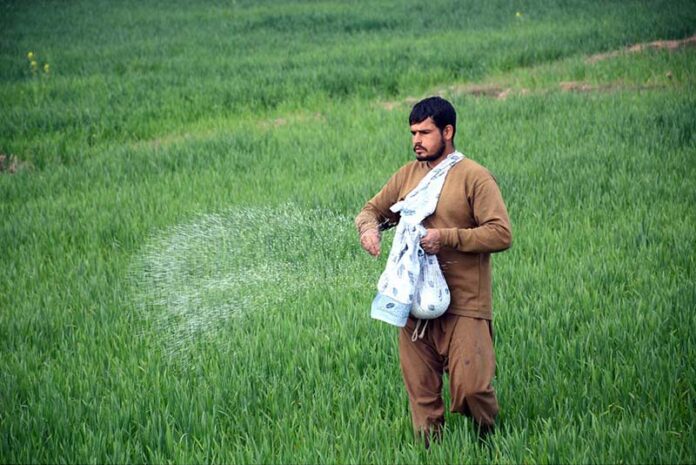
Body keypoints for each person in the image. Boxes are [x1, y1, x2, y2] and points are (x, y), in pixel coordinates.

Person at [355, 96, 512, 446]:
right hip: (411, 303)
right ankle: (431, 452)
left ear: (448, 131)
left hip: (464, 304)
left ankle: (488, 441)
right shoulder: (407, 176)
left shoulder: (474, 177)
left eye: (425, 132)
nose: (416, 140)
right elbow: (372, 211)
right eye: (413, 132)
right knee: (422, 396)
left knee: (472, 388)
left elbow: (501, 233)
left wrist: (446, 238)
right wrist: (369, 230)